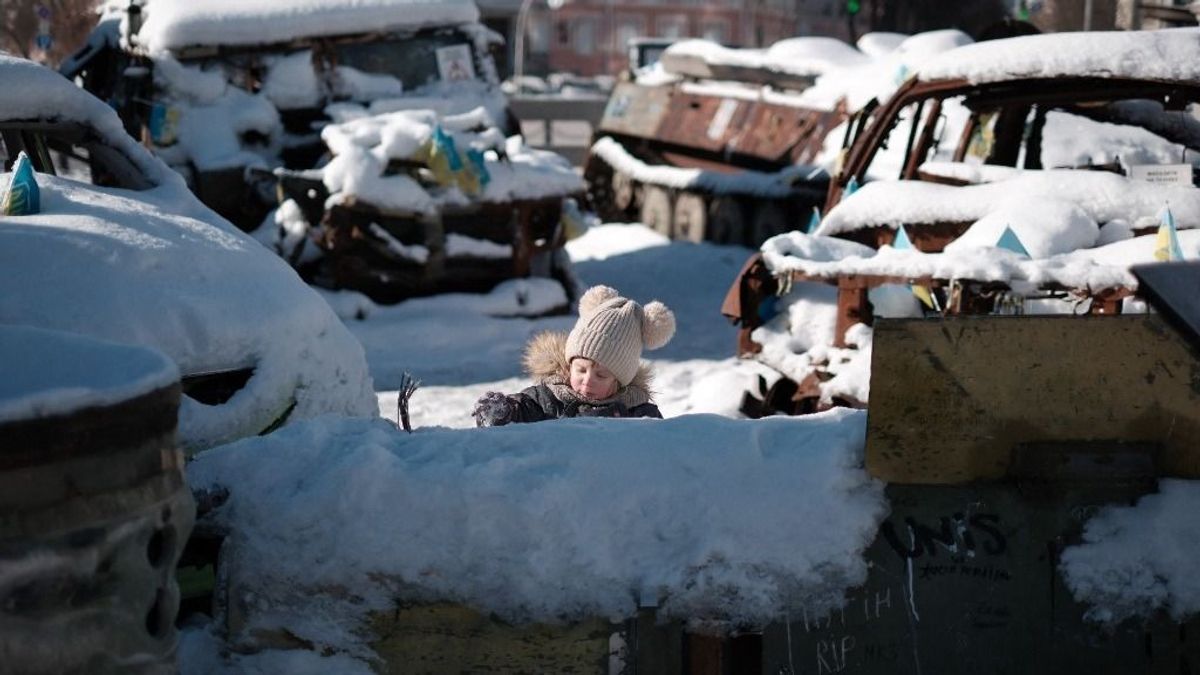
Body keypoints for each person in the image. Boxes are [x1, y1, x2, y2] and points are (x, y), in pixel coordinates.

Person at [473, 285, 675, 426]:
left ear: (619, 381)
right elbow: (519, 412)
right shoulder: (547, 399)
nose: (587, 381)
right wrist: (501, 411)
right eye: (581, 369)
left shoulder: (638, 413)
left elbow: (660, 449)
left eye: (601, 375)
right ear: (570, 365)